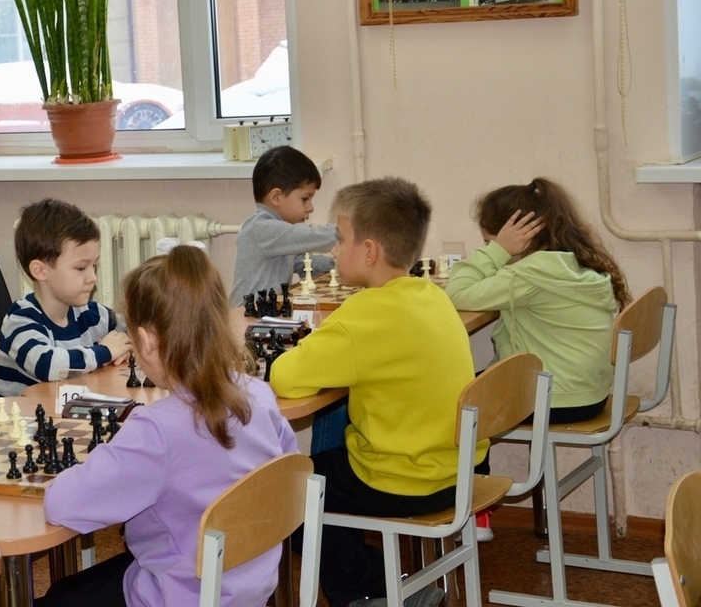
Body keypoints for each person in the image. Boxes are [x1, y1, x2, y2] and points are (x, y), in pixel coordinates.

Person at [37, 246, 297, 607]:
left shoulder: (156, 430)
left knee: (57, 598)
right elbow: (290, 472)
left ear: (146, 341)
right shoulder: (259, 394)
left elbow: (62, 505)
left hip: (179, 595)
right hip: (249, 584)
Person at [269, 178, 482, 607]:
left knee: (284, 492)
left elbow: (285, 377)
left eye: (339, 239)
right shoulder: (433, 295)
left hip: (402, 479)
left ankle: (374, 591)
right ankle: (392, 583)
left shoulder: (365, 314)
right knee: (326, 472)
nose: (333, 250)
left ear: (368, 251)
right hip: (458, 469)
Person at [445, 178, 628, 424]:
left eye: (490, 243)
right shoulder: (568, 261)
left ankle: (472, 453)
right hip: (586, 394)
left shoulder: (530, 275)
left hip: (553, 400)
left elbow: (456, 294)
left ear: (520, 237)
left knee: (449, 397)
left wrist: (498, 251)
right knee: (466, 386)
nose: (491, 249)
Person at [0, 198, 132, 396]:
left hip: (68, 413)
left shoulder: (90, 314)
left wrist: (128, 345)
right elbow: (48, 365)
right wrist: (106, 351)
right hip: (24, 415)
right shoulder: (20, 321)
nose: (92, 278)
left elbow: (135, 328)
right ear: (40, 270)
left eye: (94, 266)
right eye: (81, 268)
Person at [230, 145, 336, 307]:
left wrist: (339, 267)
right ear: (276, 197)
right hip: (246, 316)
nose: (310, 208)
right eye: (305, 199)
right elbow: (308, 236)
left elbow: (305, 263)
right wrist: (347, 232)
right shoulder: (260, 229)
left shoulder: (282, 238)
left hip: (268, 313)